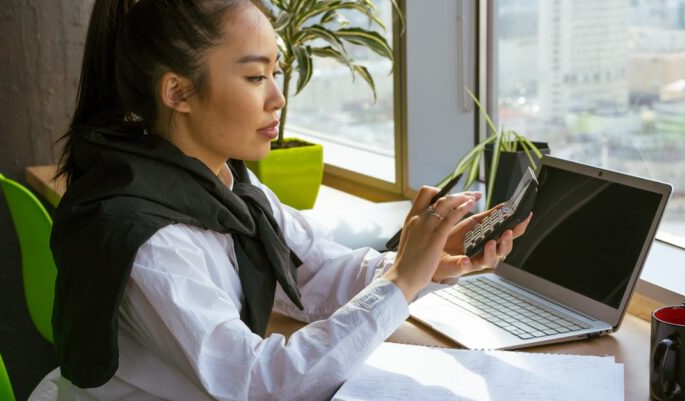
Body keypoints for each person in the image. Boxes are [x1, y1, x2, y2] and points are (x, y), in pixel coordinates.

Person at [29, 0, 531, 400]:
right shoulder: (149, 239)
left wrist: (426, 263)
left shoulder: (227, 186)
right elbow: (261, 384)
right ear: (177, 92)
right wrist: (401, 279)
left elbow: (316, 273)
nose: (278, 98)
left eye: (275, 72)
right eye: (255, 77)